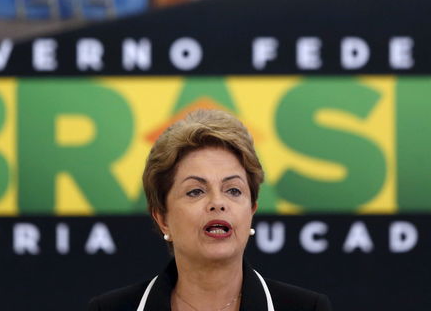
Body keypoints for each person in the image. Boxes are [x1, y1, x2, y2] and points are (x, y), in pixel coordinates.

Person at [88, 109, 332, 311]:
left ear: (252, 211)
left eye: (233, 190)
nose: (218, 202)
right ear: (162, 218)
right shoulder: (108, 309)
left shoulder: (309, 308)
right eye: (196, 191)